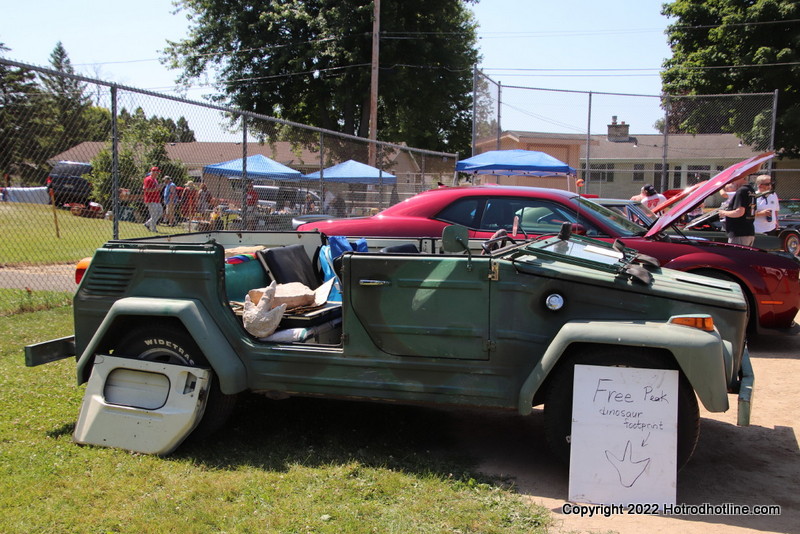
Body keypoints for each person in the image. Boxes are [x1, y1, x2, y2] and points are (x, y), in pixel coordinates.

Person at [718, 174, 756, 246]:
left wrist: (724, 212)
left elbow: (739, 212)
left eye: (733, 179)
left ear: (742, 178)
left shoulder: (741, 191)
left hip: (739, 233)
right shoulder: (751, 190)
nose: (732, 182)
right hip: (749, 231)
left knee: (735, 256)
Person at [142, 166, 163, 232]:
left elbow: (156, 188)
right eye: (156, 172)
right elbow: (146, 190)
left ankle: (147, 224)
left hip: (156, 199)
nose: (157, 174)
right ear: (152, 172)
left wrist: (159, 187)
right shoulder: (148, 179)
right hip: (150, 199)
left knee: (160, 213)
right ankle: (153, 229)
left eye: (158, 173)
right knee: (154, 214)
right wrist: (157, 188)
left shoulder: (155, 180)